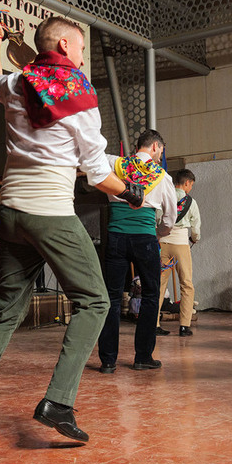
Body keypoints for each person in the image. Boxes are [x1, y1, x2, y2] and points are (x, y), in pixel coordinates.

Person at [0, 15, 143, 443]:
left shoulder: (18, 84)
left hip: (11, 213)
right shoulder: (81, 96)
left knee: (5, 312)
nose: (84, 56)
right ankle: (58, 402)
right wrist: (130, 192)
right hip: (50, 213)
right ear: (68, 46)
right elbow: (95, 174)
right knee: (94, 301)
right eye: (84, 49)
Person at [98, 129, 177, 372]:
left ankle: (108, 360)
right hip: (145, 238)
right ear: (154, 147)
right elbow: (170, 218)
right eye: (161, 150)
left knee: (111, 297)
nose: (160, 155)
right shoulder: (162, 177)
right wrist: (158, 234)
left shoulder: (114, 162)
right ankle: (143, 356)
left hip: (115, 235)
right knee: (151, 295)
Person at [157, 168, 201, 336]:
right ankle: (184, 326)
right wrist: (194, 239)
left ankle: (154, 324)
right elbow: (196, 228)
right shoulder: (191, 202)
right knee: (186, 285)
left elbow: (157, 219)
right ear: (187, 183)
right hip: (181, 245)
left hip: (164, 244)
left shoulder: (164, 197)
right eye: (191, 185)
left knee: (159, 286)